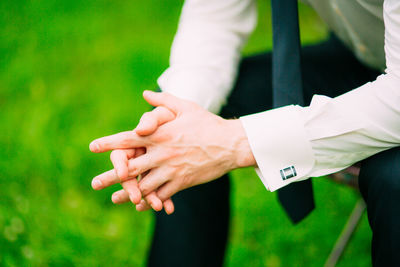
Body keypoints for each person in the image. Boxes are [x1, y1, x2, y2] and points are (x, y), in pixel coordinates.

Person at [90, 0, 400, 266]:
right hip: (363, 56)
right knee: (175, 134)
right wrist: (175, 118)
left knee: (393, 177)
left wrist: (236, 141)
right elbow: (214, 18)